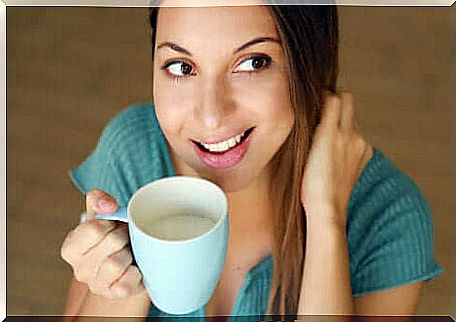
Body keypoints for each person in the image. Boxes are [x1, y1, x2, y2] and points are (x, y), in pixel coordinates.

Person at [60, 2, 443, 321]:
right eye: (181, 66)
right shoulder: (134, 150)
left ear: (310, 63)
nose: (211, 117)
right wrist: (122, 277)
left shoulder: (389, 215)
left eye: (254, 63)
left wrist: (327, 221)